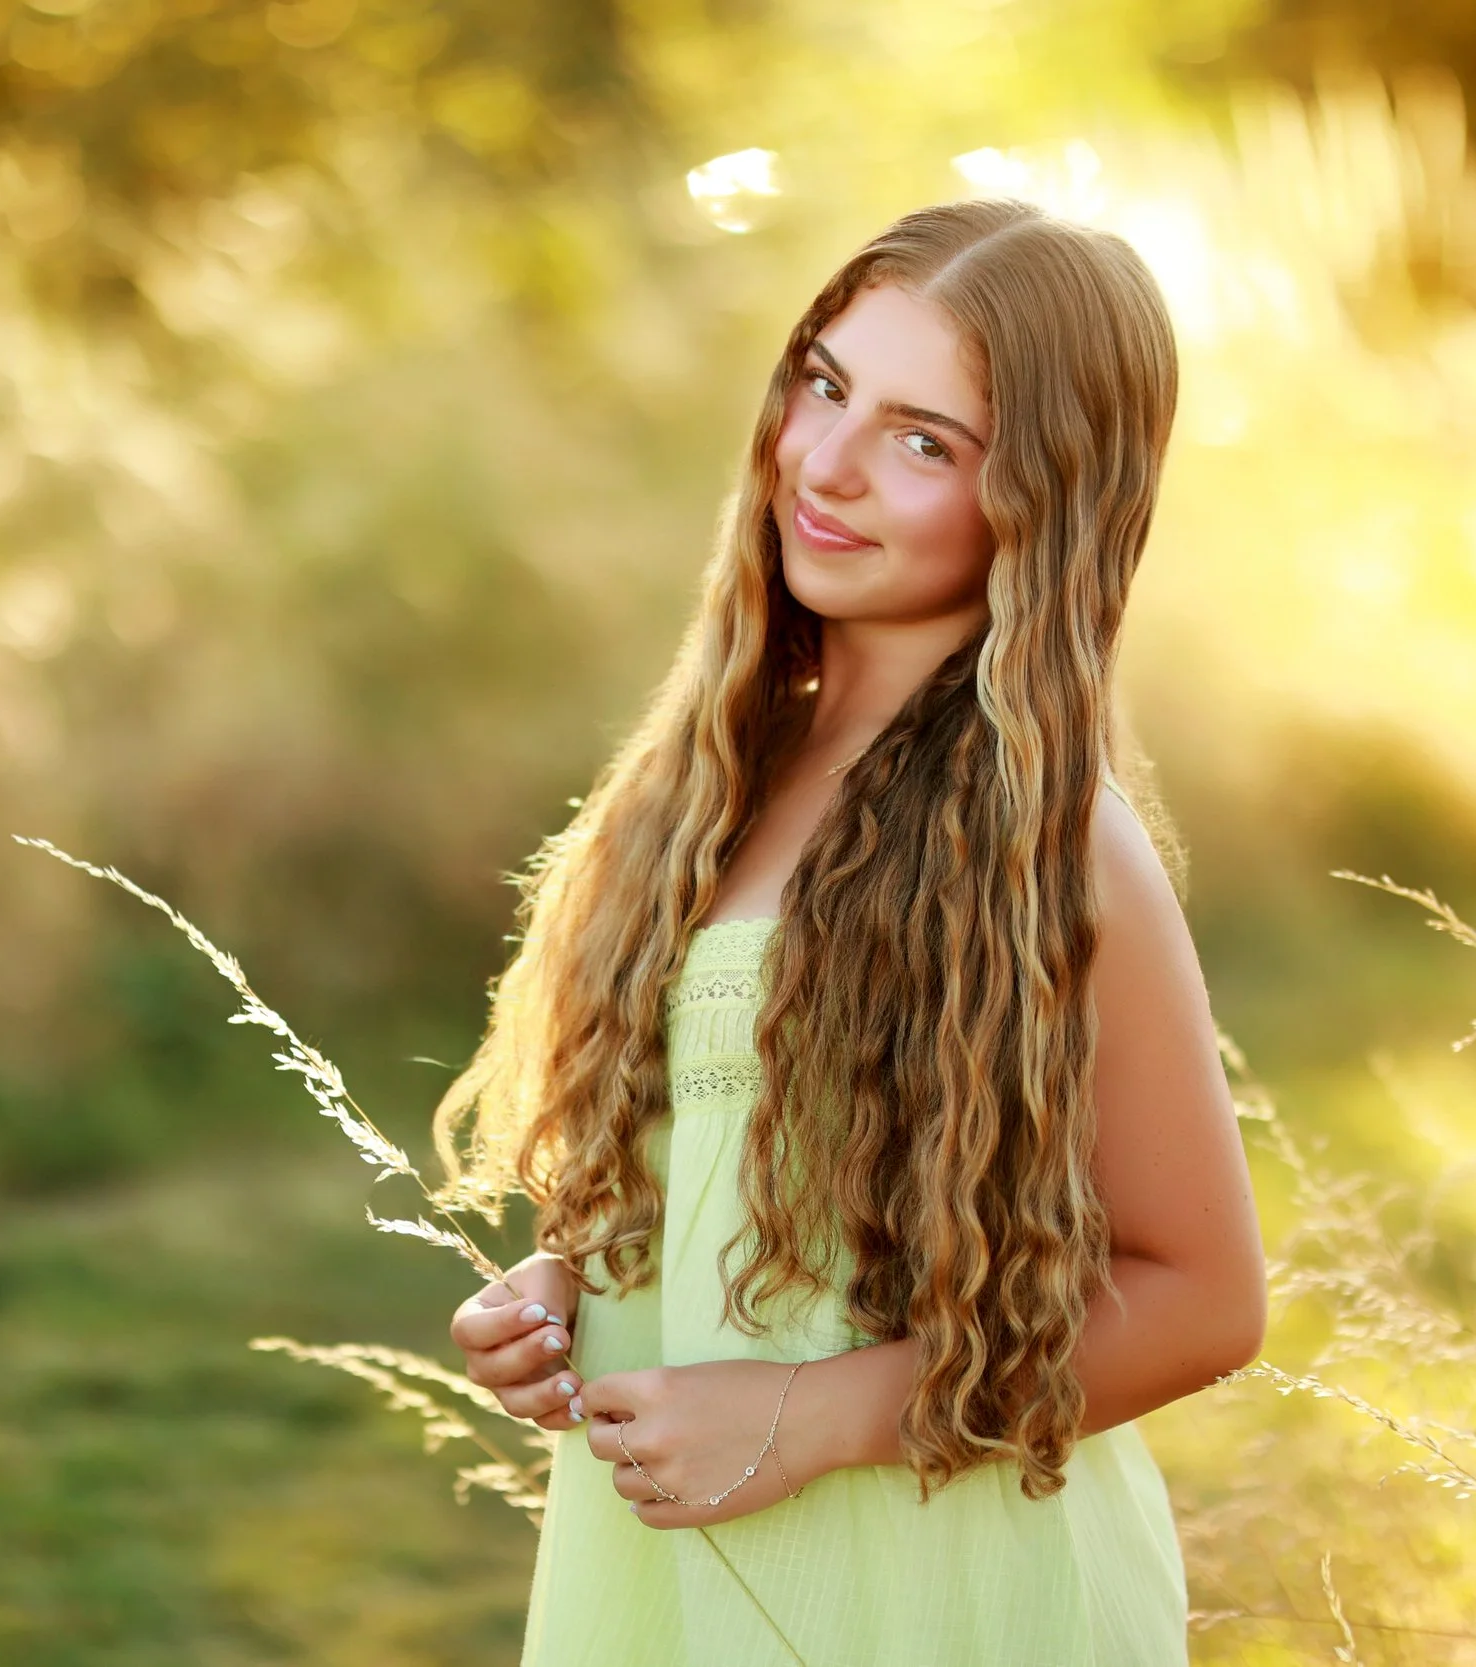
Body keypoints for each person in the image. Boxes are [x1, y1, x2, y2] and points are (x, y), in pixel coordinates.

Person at [435, 196, 1267, 1665]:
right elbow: (719, 1170)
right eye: (825, 385)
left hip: (932, 1580)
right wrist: (578, 1293)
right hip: (664, 1577)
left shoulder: (1048, 840)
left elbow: (1204, 1301)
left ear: (1040, 499)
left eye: (923, 442)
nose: (826, 463)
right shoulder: (707, 780)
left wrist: (810, 1416)